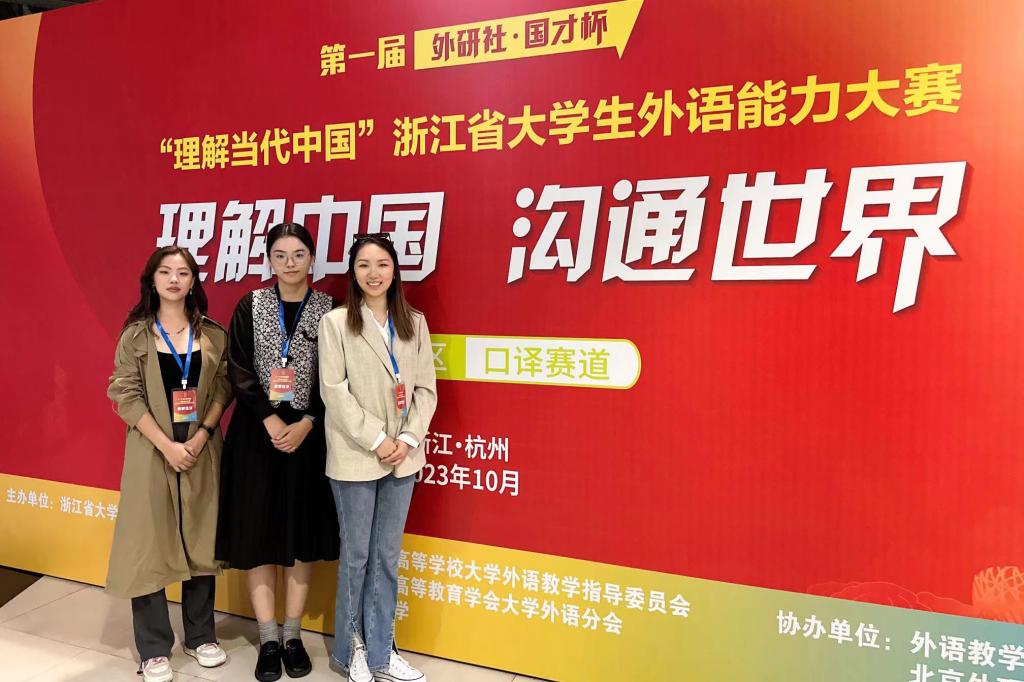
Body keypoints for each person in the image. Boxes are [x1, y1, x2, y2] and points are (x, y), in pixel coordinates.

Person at [215, 222, 339, 682]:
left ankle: (292, 635)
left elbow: (335, 376)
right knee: (259, 535)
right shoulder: (251, 305)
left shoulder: (329, 310)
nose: (290, 263)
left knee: (301, 537)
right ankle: (268, 637)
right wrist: (269, 419)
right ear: (269, 260)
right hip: (257, 436)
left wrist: (307, 422)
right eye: (281, 255)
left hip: (308, 438)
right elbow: (238, 367)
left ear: (312, 260)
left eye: (299, 254)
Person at [107, 246, 231, 682]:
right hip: (151, 451)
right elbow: (124, 394)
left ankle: (200, 636)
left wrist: (200, 436)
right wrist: (166, 445)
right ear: (152, 280)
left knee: (201, 538)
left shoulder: (212, 334)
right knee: (149, 545)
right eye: (166, 272)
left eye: (183, 272)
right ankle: (154, 648)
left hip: (200, 449)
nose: (175, 279)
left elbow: (223, 388)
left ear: (194, 281)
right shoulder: (136, 336)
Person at [318, 233, 437, 682]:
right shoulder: (336, 323)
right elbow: (334, 392)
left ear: (394, 271)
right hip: (356, 456)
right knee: (357, 557)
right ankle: (352, 650)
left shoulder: (414, 322)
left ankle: (383, 652)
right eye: (364, 265)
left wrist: (406, 438)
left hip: (403, 457)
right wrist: (377, 438)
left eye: (382, 264)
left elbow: (425, 390)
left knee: (387, 557)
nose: (374, 273)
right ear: (353, 273)